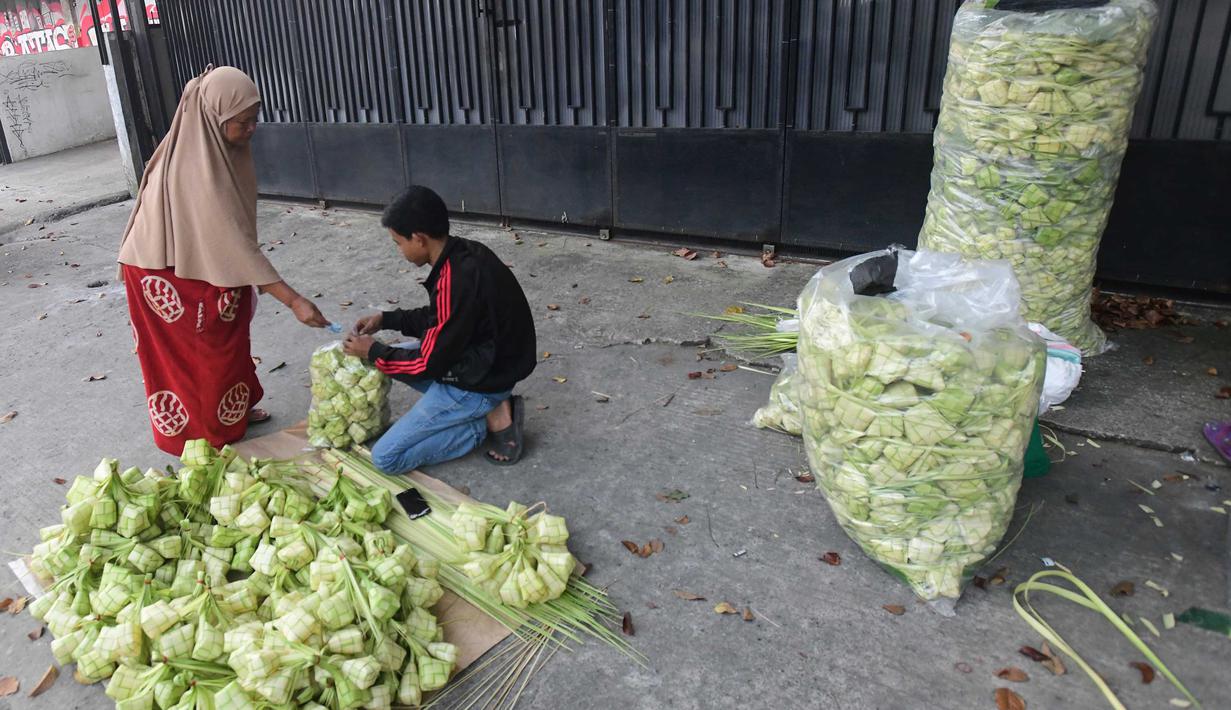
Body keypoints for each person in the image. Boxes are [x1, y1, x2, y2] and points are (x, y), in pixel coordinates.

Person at [117, 66, 328, 456]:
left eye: (254, 120)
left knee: (230, 334)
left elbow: (230, 244)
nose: (251, 130)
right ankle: (205, 435)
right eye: (242, 122)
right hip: (163, 273)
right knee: (202, 351)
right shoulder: (195, 170)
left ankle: (233, 409)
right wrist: (294, 301)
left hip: (200, 258)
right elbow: (236, 249)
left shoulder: (218, 147)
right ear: (214, 119)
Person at [343, 186, 536, 472]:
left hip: (482, 381)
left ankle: (481, 425)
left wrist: (373, 351)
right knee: (392, 358)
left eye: (398, 243)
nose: (399, 250)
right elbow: (441, 319)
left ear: (419, 239)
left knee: (386, 458)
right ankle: (494, 406)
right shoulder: (464, 254)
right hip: (489, 361)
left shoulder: (454, 280)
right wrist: (386, 319)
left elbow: (426, 364)